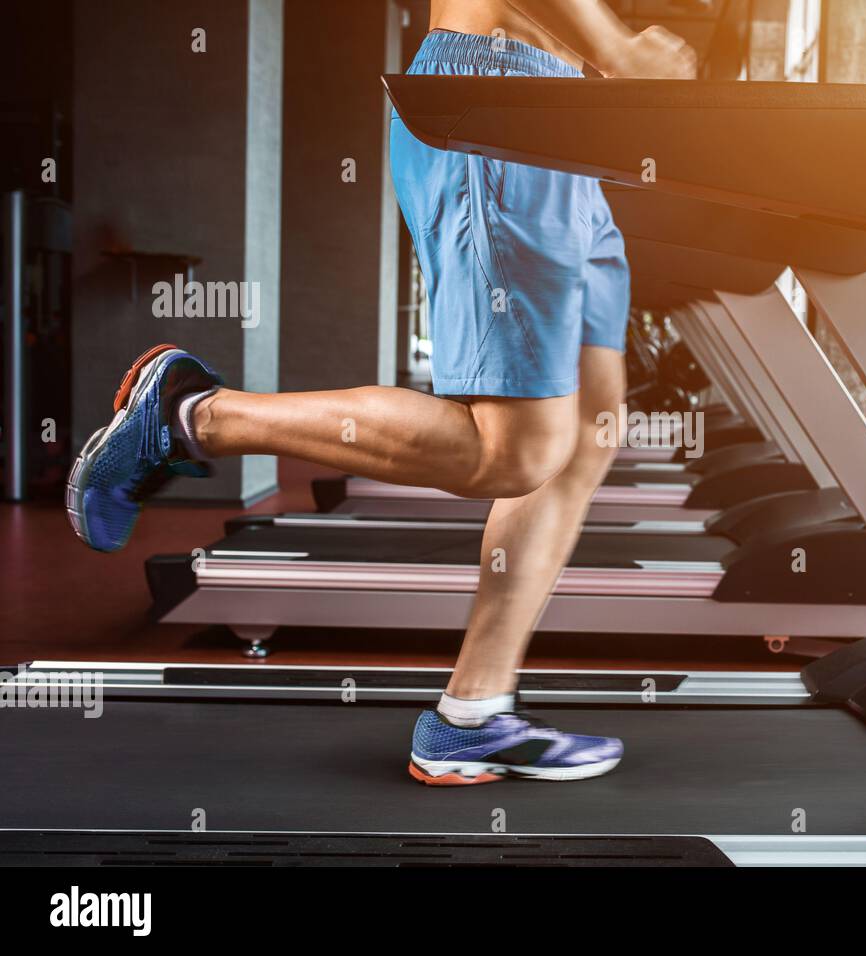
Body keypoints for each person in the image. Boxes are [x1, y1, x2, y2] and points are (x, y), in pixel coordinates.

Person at [67, 0, 697, 785]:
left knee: (592, 426)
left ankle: (473, 715)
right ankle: (192, 415)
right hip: (503, 98)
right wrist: (613, 46)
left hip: (568, 121)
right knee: (516, 453)